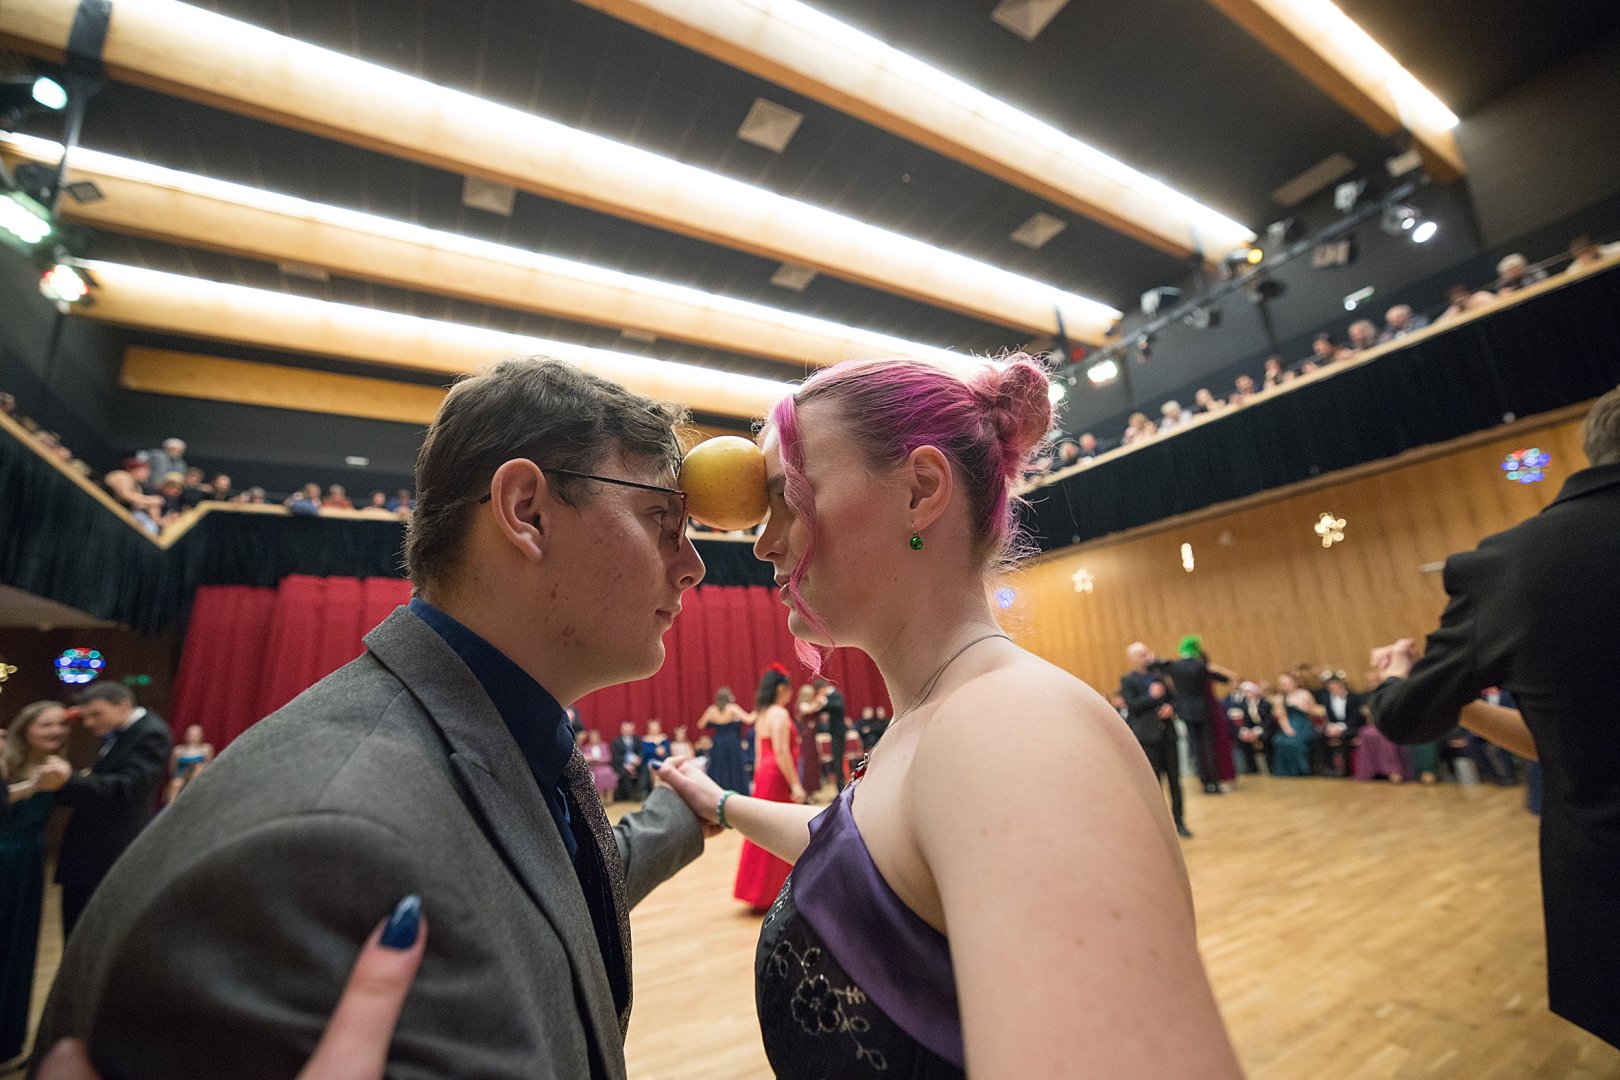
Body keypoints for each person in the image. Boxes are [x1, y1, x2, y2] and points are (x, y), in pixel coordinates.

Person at [30, 357, 710, 1078]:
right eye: (662, 521)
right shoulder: (324, 850)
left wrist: (686, 812)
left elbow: (537, 891)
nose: (693, 565)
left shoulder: (470, 734)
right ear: (526, 511)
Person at [658, 355, 1238, 1077]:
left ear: (921, 491)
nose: (763, 542)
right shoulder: (951, 713)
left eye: (790, 496)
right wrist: (718, 801)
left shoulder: (1012, 731)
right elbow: (861, 849)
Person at [1365, 385, 1620, 1049]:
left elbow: (1404, 717)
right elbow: (1557, 740)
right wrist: (1469, 705)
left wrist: (1398, 673)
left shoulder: (1519, 562)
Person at [53, 682, 172, 940]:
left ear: (123, 706)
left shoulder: (150, 733)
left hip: (109, 847)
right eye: (86, 716)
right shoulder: (121, 731)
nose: (88, 723)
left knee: (92, 933)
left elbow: (129, 787)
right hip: (93, 849)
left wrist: (70, 781)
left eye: (96, 714)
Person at [2, 702, 73, 1066]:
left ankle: (7, 1046)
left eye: (60, 726)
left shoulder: (60, 765)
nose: (55, 732)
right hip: (3, 857)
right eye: (46, 725)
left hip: (29, 866)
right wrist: (33, 787)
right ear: (26, 728)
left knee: (17, 950)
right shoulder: (4, 758)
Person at [734, 668, 803, 913]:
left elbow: (758, 752)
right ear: (782, 689)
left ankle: (759, 890)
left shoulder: (761, 714)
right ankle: (776, 890)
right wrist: (795, 784)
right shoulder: (779, 714)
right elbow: (781, 750)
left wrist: (757, 779)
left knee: (762, 828)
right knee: (781, 829)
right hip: (777, 775)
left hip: (764, 773)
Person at [1121, 643, 1192, 837]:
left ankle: (1180, 821)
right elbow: (1132, 706)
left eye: (1147, 653)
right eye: (1141, 655)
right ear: (1132, 659)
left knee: (1175, 781)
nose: (1146, 657)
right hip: (1148, 737)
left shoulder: (1160, 676)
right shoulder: (1128, 680)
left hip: (1167, 735)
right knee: (1154, 784)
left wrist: (1170, 707)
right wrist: (1152, 697)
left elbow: (1175, 698)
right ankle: (1160, 826)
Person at [1161, 636, 1233, 794]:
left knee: (1196, 747)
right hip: (1203, 710)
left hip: (1186, 712)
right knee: (1208, 746)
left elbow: (1157, 665)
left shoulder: (1174, 666)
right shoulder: (1201, 666)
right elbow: (1225, 678)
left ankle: (1205, 782)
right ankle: (1214, 782)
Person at [696, 687, 752, 794]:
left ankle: (718, 792)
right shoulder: (732, 708)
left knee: (719, 767)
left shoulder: (712, 710)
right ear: (728, 697)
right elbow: (749, 719)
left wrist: (713, 723)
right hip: (732, 742)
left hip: (718, 741)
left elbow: (700, 724)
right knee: (734, 766)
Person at [1267, 674, 1318, 777]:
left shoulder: (1305, 694)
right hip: (1289, 724)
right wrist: (1287, 729)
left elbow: (1315, 711)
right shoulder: (1280, 698)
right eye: (1283, 684)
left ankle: (1301, 770)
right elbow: (1282, 716)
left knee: (1295, 742)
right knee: (1278, 740)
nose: (1285, 686)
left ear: (1294, 683)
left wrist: (1305, 708)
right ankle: (1285, 771)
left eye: (1287, 684)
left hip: (1304, 724)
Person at [1225, 681, 1271, 775]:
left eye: (1249, 692)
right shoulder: (1242, 705)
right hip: (1249, 730)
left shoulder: (1265, 704)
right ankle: (1250, 768)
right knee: (1241, 741)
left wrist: (1257, 731)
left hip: (1263, 729)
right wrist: (1245, 732)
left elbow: (1268, 721)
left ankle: (1270, 766)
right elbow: (1242, 721)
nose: (1247, 694)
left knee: (1267, 740)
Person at [162, 724, 214, 805]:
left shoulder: (206, 749)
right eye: (190, 734)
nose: (193, 737)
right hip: (180, 776)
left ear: (201, 736)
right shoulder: (177, 750)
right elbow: (172, 769)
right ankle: (171, 807)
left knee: (198, 770)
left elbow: (209, 766)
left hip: (197, 776)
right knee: (176, 784)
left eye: (195, 735)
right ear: (186, 735)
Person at [813, 677, 848, 791]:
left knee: (838, 760)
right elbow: (824, 709)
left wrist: (824, 702)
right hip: (834, 732)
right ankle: (840, 786)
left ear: (822, 688)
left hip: (839, 732)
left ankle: (841, 787)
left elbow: (837, 706)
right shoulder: (829, 697)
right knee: (836, 760)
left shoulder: (835, 695)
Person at [580, 728, 616, 803]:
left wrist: (599, 759)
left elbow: (608, 757)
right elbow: (584, 760)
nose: (594, 739)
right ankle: (601, 797)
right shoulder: (586, 747)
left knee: (609, 772)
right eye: (592, 738)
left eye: (596, 737)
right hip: (593, 767)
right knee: (599, 775)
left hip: (604, 766)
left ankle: (609, 796)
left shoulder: (604, 745)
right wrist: (591, 759)